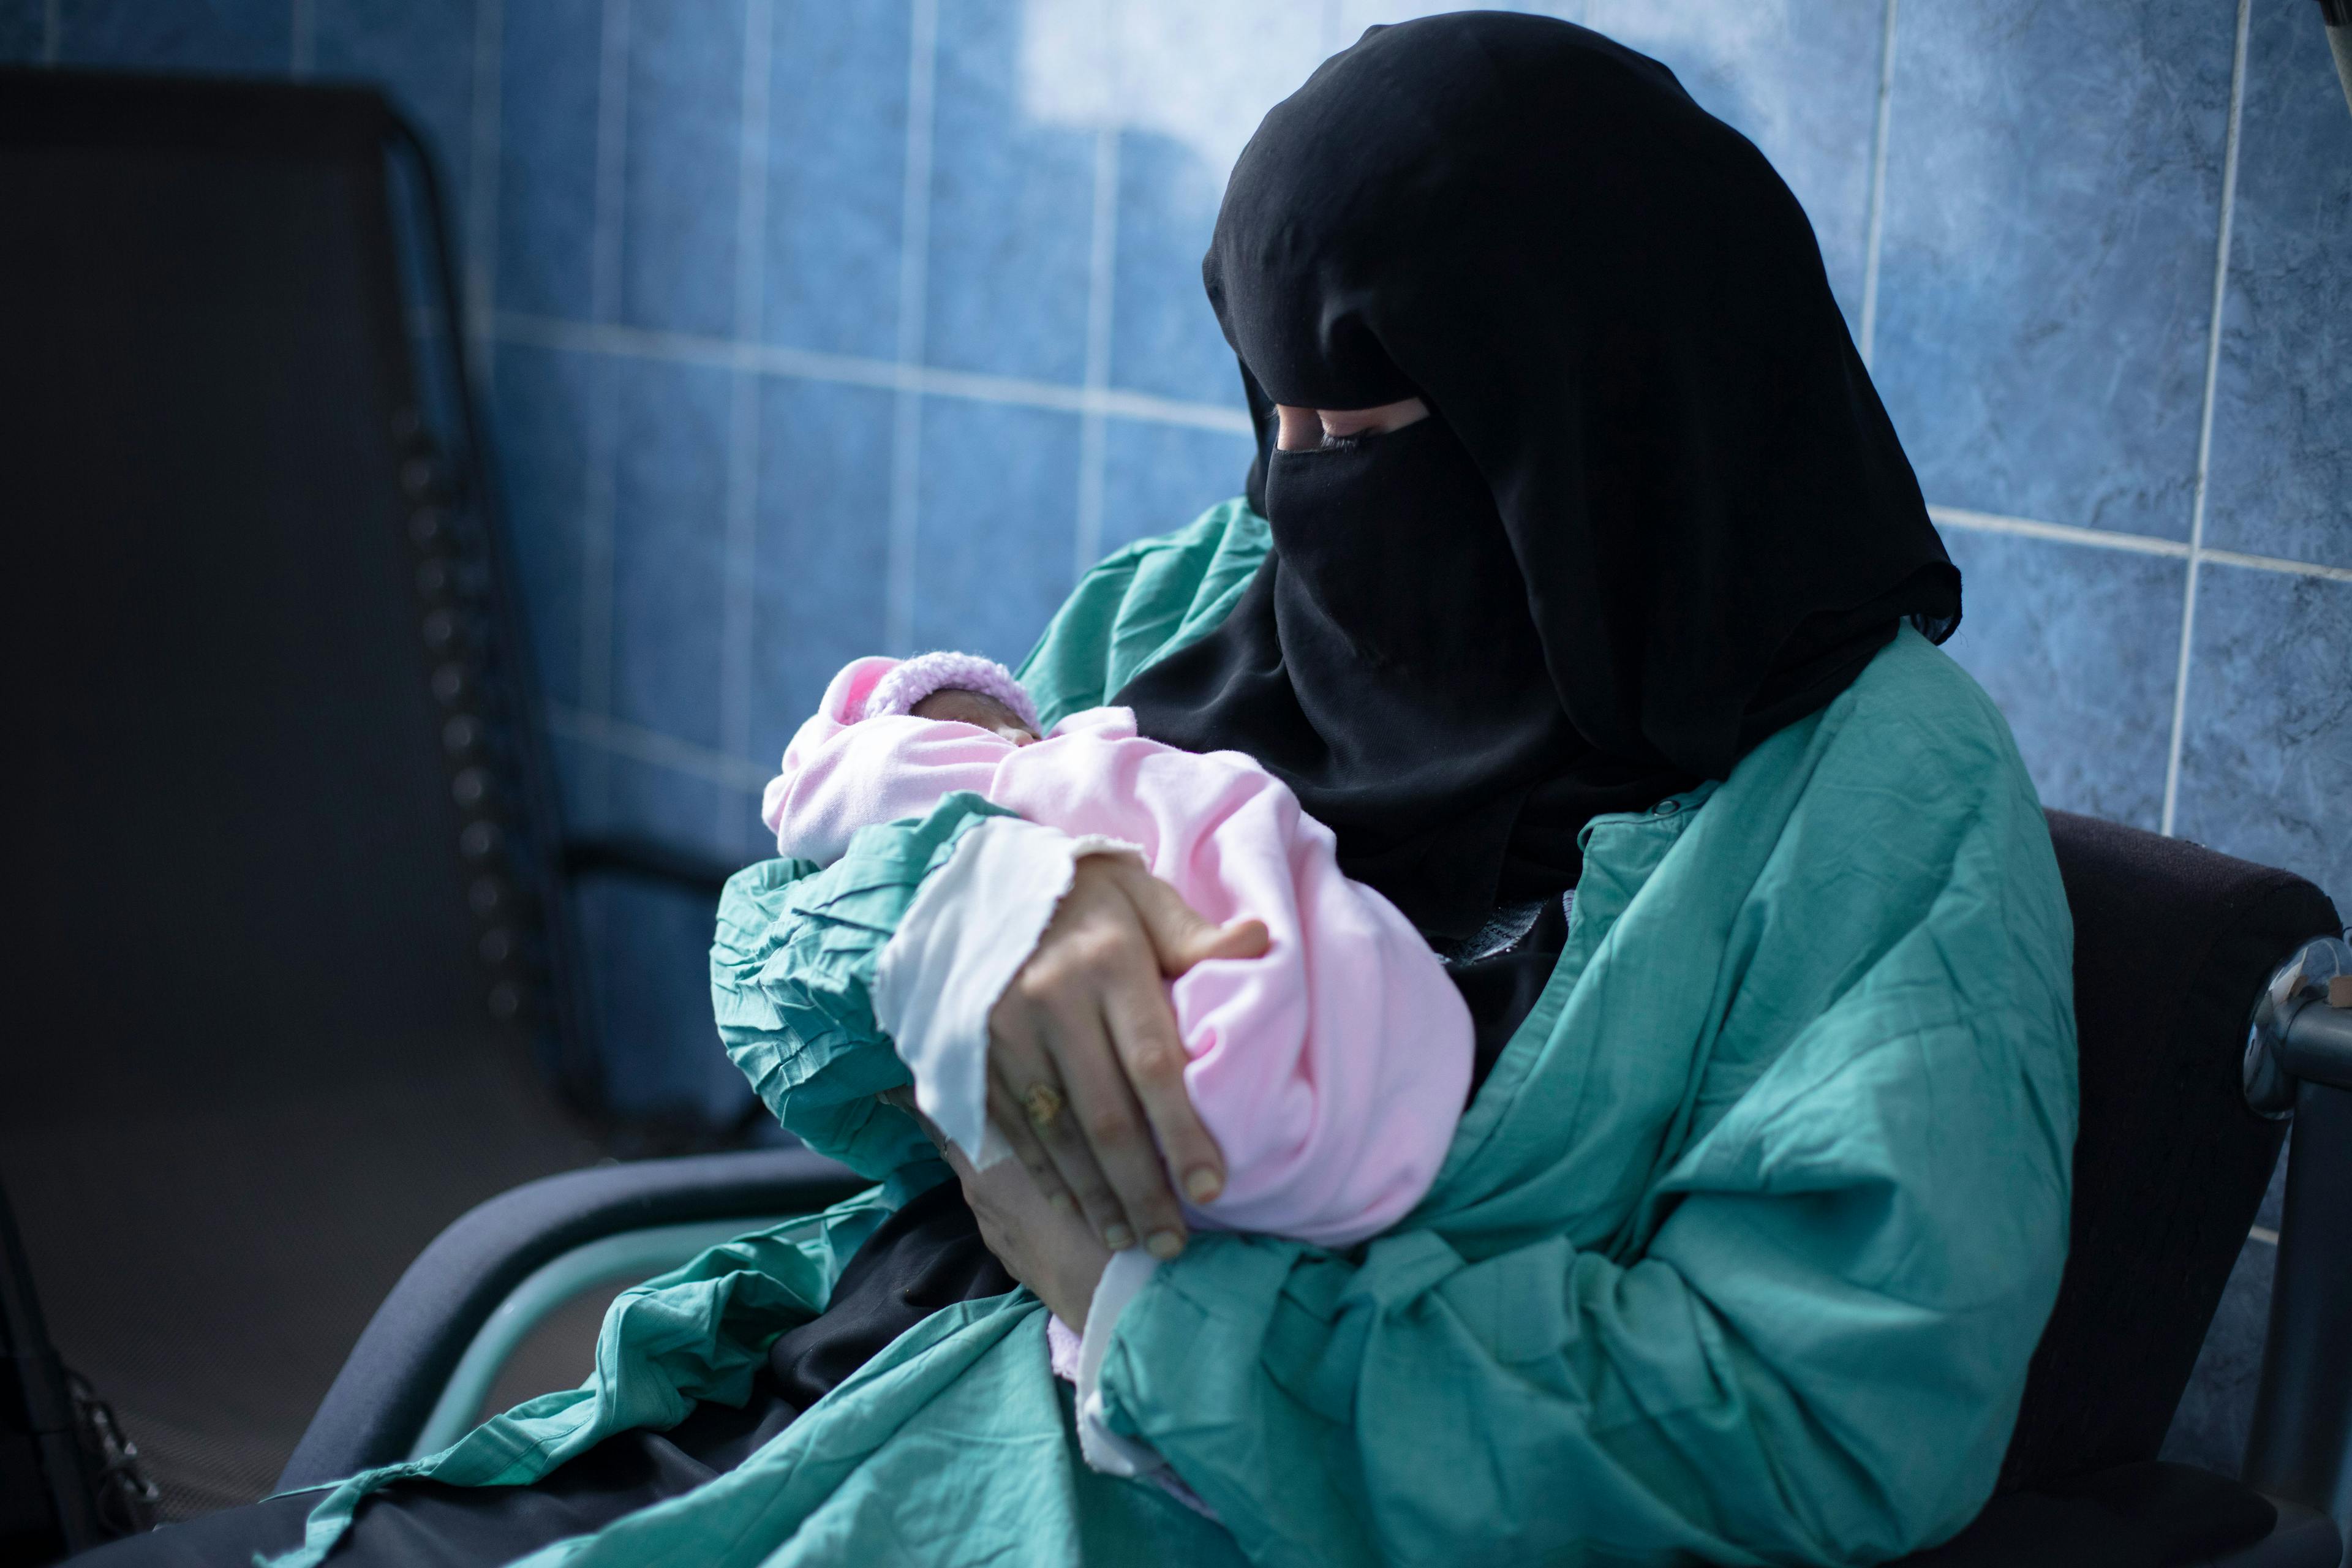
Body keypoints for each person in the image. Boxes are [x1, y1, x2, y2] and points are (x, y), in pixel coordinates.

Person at [78, 14, 2075, 1566]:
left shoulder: (1875, 803)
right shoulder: (1219, 600)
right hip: (823, 1402)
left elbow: (1822, 1425)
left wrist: (1148, 1315)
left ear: (1599, 398)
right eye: (1275, 412)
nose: (1300, 487)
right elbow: (804, 1006)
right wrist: (965, 916)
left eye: (1367, 420)